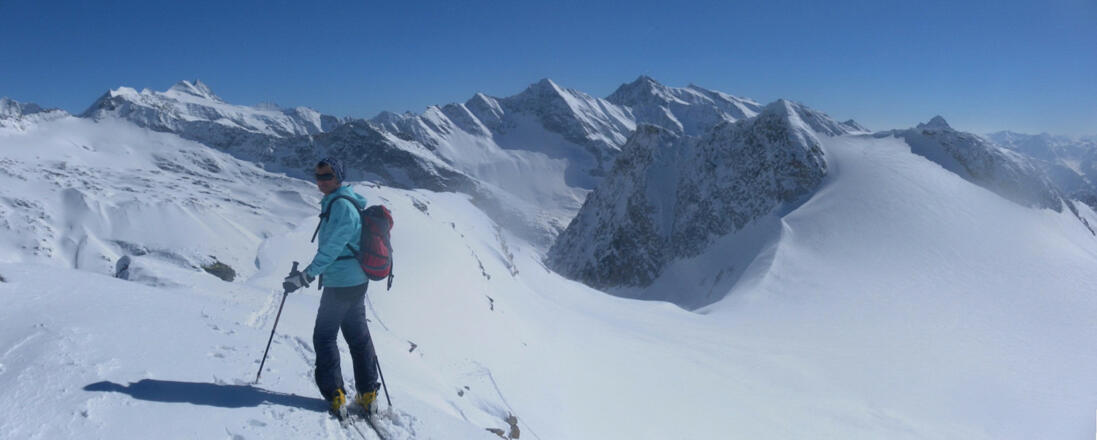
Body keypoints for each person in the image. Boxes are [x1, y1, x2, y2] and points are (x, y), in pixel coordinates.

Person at [282, 157, 379, 415]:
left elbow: (331, 250)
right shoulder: (341, 202)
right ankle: (368, 394)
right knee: (358, 338)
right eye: (317, 176)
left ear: (338, 177)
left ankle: (336, 395)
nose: (320, 181)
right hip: (356, 281)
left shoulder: (341, 207)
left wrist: (306, 276)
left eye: (326, 176)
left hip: (340, 284)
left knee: (324, 337)